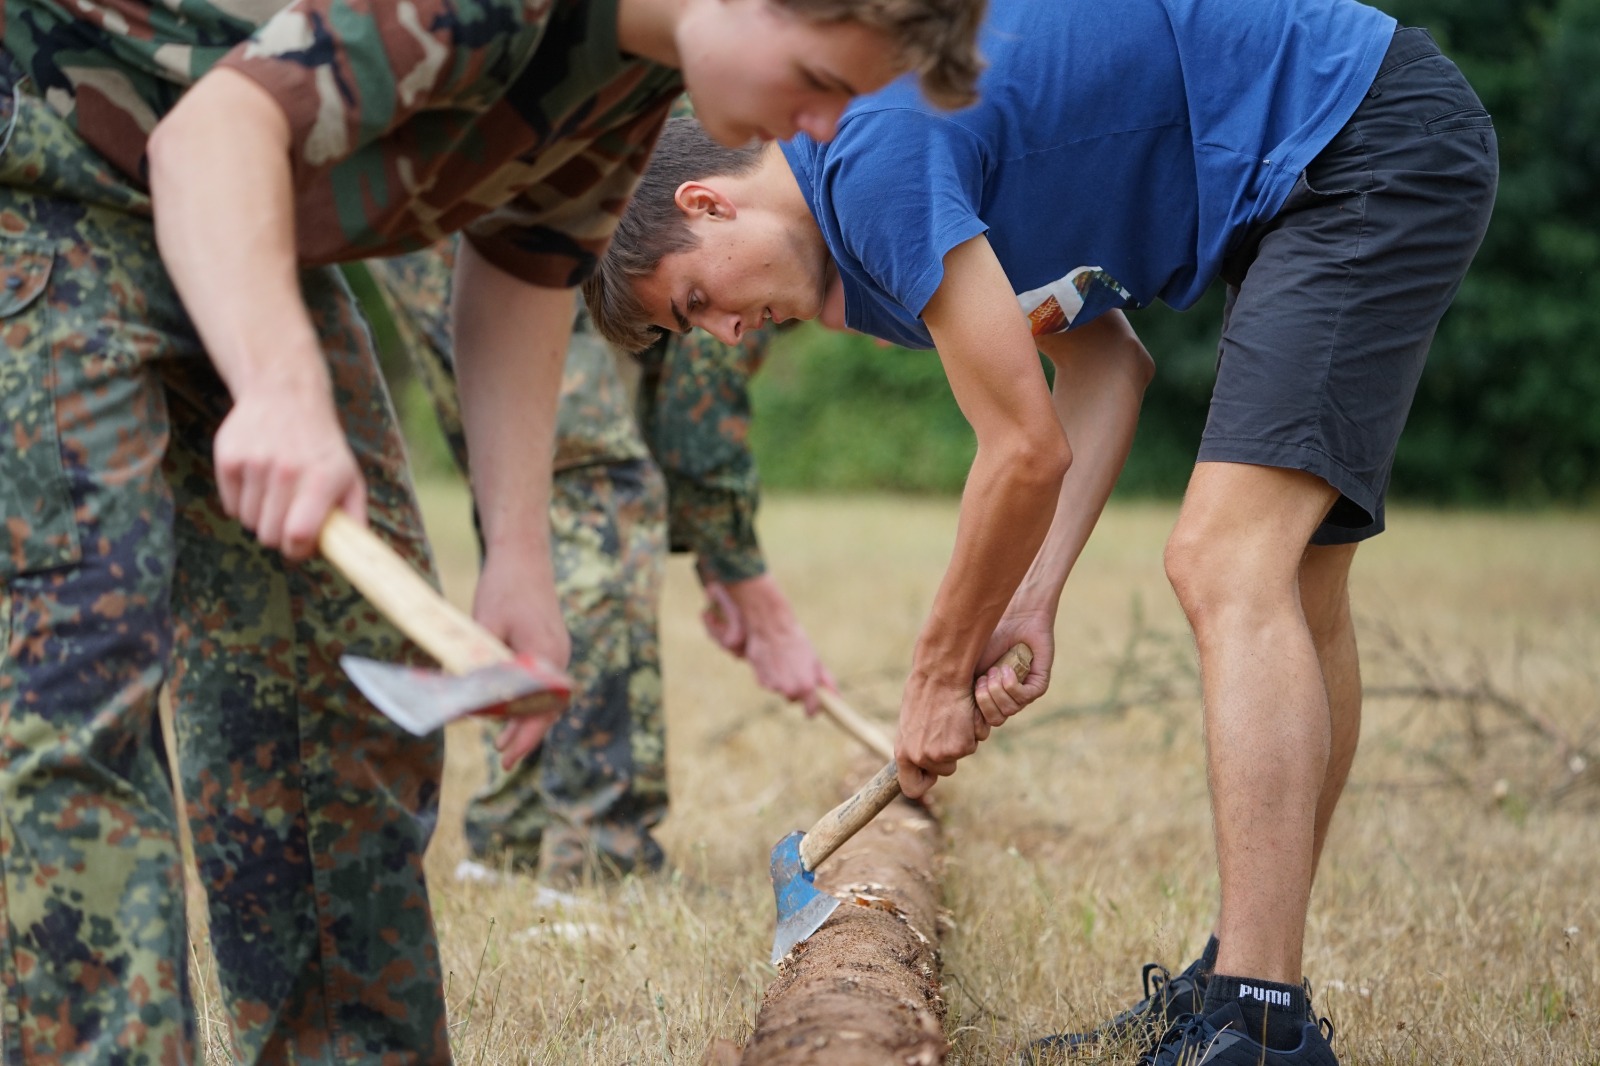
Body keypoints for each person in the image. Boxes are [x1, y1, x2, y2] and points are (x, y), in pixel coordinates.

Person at [0, 0, 983, 1057]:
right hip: (54, 164)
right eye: (822, 80)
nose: (829, 128)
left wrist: (518, 558)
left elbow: (526, 262)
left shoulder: (640, 77)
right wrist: (278, 384)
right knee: (80, 680)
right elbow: (213, 132)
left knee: (340, 683)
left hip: (243, 212)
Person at [583, 1, 1499, 1062]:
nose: (727, 333)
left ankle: (1258, 1021)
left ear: (707, 202)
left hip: (1360, 138)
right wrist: (1030, 598)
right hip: (1322, 167)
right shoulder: (872, 252)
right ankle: (1248, 979)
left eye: (697, 298)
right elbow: (1105, 367)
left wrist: (933, 677)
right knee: (1292, 581)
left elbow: (1022, 449)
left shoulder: (870, 155)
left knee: (1221, 558)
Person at [367, 242, 831, 887]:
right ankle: (594, 850)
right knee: (596, 488)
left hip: (424, 234)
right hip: (524, 220)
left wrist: (725, 566)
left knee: (516, 493)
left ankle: (515, 837)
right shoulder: (780, 247)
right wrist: (748, 584)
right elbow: (699, 421)